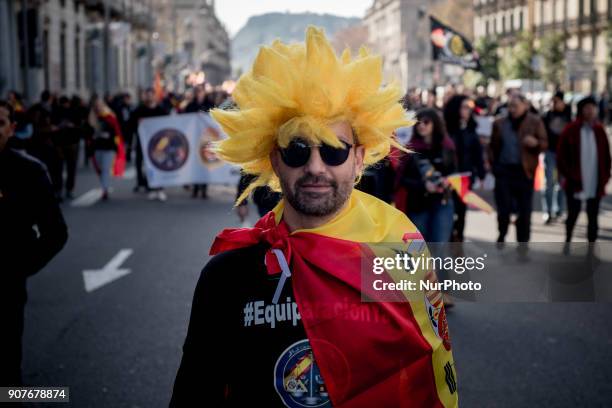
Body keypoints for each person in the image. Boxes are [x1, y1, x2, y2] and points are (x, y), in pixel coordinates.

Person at [170, 27, 457, 407]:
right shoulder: (227, 276)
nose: (315, 167)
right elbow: (195, 395)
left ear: (358, 158)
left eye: (335, 150)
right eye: (297, 150)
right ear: (274, 160)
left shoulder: (399, 249)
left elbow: (427, 376)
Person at [0, 100, 68, 386]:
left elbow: (55, 233)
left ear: (12, 128)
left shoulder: (28, 171)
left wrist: (17, 268)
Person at [489, 93, 547, 243]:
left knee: (524, 211)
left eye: (516, 105)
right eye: (510, 106)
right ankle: (502, 232)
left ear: (525, 105)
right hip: (504, 171)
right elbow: (492, 147)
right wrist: (493, 166)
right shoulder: (500, 123)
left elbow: (545, 143)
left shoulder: (535, 122)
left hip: (525, 171)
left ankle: (523, 244)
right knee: (504, 208)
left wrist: (536, 143)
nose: (512, 109)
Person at [395, 108, 457, 243]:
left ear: (435, 124)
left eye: (426, 122)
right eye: (418, 123)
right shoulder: (410, 149)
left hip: (442, 202)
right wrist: (424, 185)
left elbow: (454, 173)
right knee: (418, 248)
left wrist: (448, 181)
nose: (421, 125)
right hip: (417, 204)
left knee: (439, 247)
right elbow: (401, 179)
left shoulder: (447, 146)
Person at [557, 96, 611, 243]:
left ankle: (591, 247)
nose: (590, 111)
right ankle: (568, 238)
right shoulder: (571, 129)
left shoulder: (599, 130)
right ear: (581, 110)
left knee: (593, 216)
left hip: (595, 181)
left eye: (593, 108)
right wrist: (568, 175)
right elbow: (561, 156)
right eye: (587, 108)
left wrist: (605, 176)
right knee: (573, 214)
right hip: (575, 181)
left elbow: (606, 156)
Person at [444, 95, 485, 242]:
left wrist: (481, 173)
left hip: (465, 178)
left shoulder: (471, 128)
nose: (468, 110)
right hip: (447, 178)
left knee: (461, 211)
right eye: (464, 107)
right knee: (448, 211)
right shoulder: (446, 129)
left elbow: (477, 153)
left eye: (469, 108)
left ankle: (458, 241)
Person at [130, 88, 169, 200]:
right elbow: (131, 124)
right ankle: (149, 186)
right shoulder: (139, 110)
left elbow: (167, 124)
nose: (149, 98)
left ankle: (160, 188)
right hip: (142, 142)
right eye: (147, 95)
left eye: (151, 95)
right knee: (144, 165)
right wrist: (138, 122)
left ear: (154, 96)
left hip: (158, 145)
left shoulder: (160, 110)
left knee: (159, 164)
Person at [541, 91, 571, 224]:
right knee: (549, 184)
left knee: (561, 184)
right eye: (553, 101)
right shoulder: (547, 115)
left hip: (564, 153)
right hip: (550, 152)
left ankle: (559, 210)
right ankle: (548, 211)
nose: (554, 104)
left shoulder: (568, 115)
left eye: (557, 101)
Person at [87, 96, 125, 200]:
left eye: (100, 105)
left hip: (109, 147)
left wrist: (110, 137)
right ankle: (104, 185)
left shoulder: (110, 117)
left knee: (105, 169)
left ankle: (104, 189)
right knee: (99, 169)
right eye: (96, 106)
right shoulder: (92, 118)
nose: (98, 107)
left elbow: (116, 131)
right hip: (97, 147)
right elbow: (87, 133)